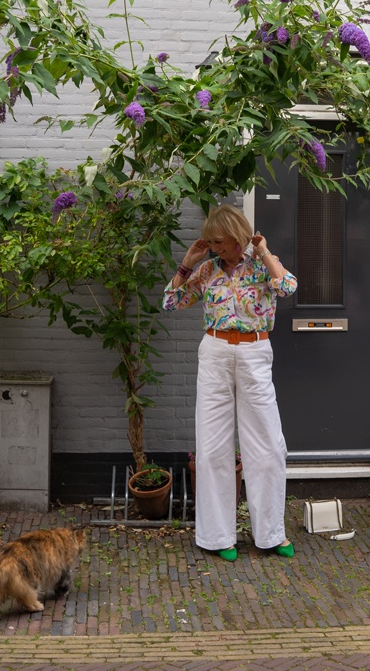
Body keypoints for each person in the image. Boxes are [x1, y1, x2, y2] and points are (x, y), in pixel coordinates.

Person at [162, 204, 297, 562]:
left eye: (220, 242)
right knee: (212, 446)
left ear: (238, 238)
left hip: (254, 353)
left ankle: (270, 534)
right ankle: (217, 536)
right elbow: (171, 302)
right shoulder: (206, 270)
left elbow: (287, 287)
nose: (215, 248)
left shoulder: (261, 267)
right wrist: (187, 262)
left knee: (267, 445)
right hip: (216, 352)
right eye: (211, 242)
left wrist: (264, 252)